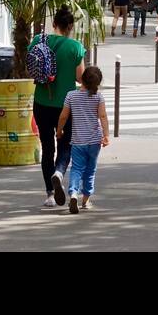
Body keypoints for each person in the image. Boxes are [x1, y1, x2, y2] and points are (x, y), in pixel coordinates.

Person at [30, 6, 87, 208]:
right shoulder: (75, 47)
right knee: (65, 145)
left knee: (47, 147)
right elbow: (81, 77)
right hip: (66, 106)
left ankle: (50, 194)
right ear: (70, 26)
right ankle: (59, 172)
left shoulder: (38, 41)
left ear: (54, 23)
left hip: (41, 103)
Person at [57, 65, 109, 213]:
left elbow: (64, 116)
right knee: (90, 170)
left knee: (77, 169)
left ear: (81, 79)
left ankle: (73, 193)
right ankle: (85, 201)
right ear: (97, 83)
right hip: (94, 142)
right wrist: (106, 135)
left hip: (78, 141)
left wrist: (59, 131)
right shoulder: (98, 97)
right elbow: (103, 117)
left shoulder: (71, 95)